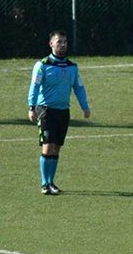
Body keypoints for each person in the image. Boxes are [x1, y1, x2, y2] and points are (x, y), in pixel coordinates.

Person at [28, 30, 91, 195]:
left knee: (56, 148)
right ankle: (44, 184)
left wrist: (85, 106)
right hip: (45, 110)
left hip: (63, 112)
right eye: (59, 42)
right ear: (51, 44)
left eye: (64, 42)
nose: (62, 45)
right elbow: (34, 86)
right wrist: (31, 107)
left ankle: (51, 182)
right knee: (48, 147)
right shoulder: (42, 65)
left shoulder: (72, 67)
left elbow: (78, 87)